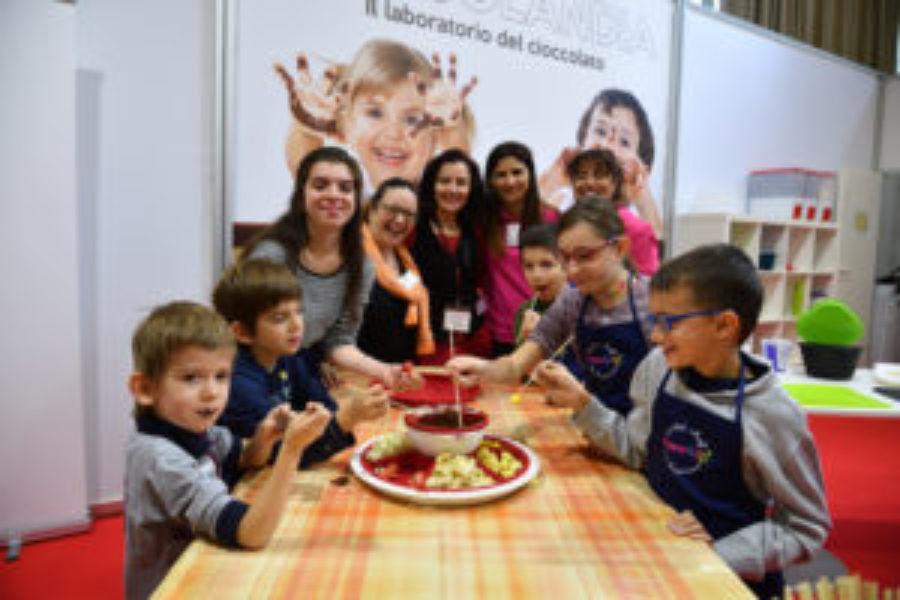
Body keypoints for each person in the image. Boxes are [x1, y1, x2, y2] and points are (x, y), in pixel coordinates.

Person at [533, 244, 831, 598]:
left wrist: (721, 553)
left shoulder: (773, 416)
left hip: (727, 581)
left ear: (724, 326)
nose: (656, 335)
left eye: (668, 323)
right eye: (654, 320)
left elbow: (805, 527)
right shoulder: (658, 368)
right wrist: (583, 404)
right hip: (659, 558)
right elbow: (635, 450)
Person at [124, 301, 331, 599]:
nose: (212, 392)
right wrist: (291, 450)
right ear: (145, 389)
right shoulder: (161, 459)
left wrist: (264, 438)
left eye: (221, 376)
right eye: (191, 378)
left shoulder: (196, 428)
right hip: (174, 588)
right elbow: (251, 533)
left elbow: (245, 458)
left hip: (208, 567)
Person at [451, 198, 651, 416]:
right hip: (592, 425)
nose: (572, 270)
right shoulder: (571, 302)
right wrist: (483, 369)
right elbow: (516, 365)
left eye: (585, 256)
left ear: (619, 248)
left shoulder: (651, 300)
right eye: (565, 258)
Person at [244, 146, 416, 390]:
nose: (334, 195)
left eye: (345, 188)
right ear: (301, 194)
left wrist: (384, 371)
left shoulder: (361, 265)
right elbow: (251, 334)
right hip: (256, 371)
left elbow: (339, 340)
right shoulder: (272, 256)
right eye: (320, 185)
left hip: (300, 369)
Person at [212, 258, 388, 466]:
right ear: (243, 332)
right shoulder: (237, 383)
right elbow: (281, 453)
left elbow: (325, 406)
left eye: (299, 311)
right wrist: (346, 418)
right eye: (280, 318)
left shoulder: (287, 356)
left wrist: (328, 419)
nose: (296, 325)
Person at [275, 38, 477, 192]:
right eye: (375, 113)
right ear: (346, 124)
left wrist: (452, 127)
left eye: (412, 119)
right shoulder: (345, 191)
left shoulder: (437, 194)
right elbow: (303, 168)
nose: (393, 134)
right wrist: (307, 127)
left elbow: (458, 158)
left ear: (435, 138)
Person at [540, 88, 662, 238]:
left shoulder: (636, 220)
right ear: (583, 139)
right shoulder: (562, 201)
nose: (607, 145)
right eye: (600, 131)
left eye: (624, 142)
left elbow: (657, 244)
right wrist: (551, 181)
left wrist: (643, 197)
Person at [410, 148, 491, 364]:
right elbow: (400, 273)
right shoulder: (413, 228)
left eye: (461, 182)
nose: (453, 189)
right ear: (431, 184)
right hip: (425, 339)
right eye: (444, 181)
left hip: (473, 337)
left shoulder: (476, 229)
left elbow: (480, 279)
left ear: (471, 188)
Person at [482, 141, 558, 356]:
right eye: (501, 175)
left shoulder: (551, 217)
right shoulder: (484, 220)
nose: (510, 181)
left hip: (543, 327)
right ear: (490, 180)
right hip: (498, 331)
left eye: (517, 172)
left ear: (530, 174)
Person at [357, 178, 434, 363]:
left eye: (408, 214)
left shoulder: (408, 261)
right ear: (372, 209)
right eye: (392, 209)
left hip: (403, 372)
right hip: (359, 373)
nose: (400, 220)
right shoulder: (350, 257)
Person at [567, 148, 659, 275]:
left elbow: (648, 281)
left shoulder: (636, 228)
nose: (589, 182)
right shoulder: (566, 224)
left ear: (615, 183)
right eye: (581, 176)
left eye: (599, 175)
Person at [514, 223, 566, 346]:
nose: (536, 275)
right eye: (529, 266)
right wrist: (525, 339)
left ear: (567, 264)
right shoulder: (525, 311)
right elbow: (518, 357)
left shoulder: (582, 309)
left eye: (547, 265)